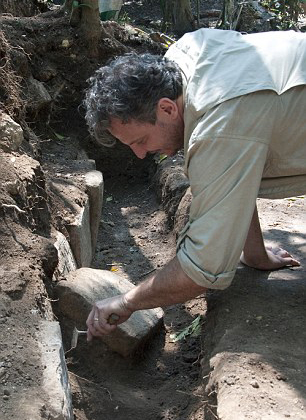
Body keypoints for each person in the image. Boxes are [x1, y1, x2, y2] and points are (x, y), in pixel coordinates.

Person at [84, 28, 306, 339]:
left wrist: (128, 301)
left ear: (166, 109)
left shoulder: (219, 125)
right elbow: (234, 178)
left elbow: (204, 268)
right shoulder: (184, 57)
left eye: (141, 140)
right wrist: (255, 254)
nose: (139, 154)